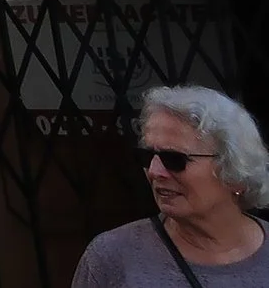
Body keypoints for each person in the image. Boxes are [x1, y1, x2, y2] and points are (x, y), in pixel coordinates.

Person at [74, 86, 269, 286]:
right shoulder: (111, 258)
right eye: (147, 156)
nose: (154, 171)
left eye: (174, 159)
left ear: (235, 172)